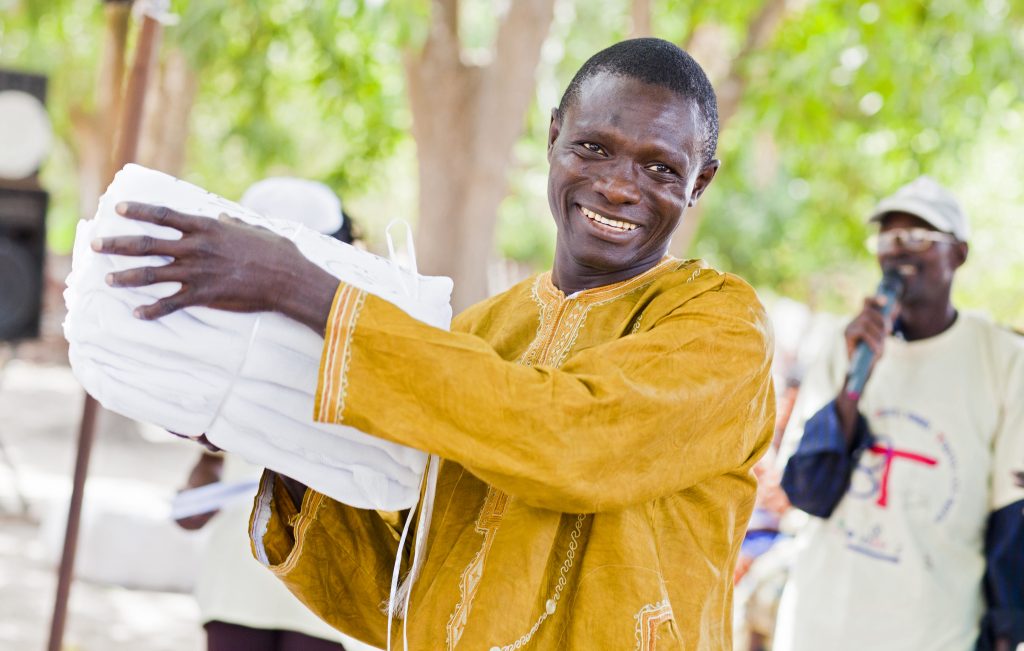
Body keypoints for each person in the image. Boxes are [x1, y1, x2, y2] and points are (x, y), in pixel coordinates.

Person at [93, 38, 776, 649]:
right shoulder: (481, 330)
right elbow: (397, 597)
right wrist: (256, 418)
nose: (619, 185)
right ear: (553, 136)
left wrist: (300, 288)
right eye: (594, 147)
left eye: (659, 167)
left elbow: (567, 437)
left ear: (700, 181)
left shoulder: (721, 330)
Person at [773, 176, 1024, 651]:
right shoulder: (846, 345)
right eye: (887, 239)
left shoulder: (1003, 359)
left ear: (960, 253)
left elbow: (1012, 522)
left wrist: (1006, 633)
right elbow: (808, 491)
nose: (898, 251)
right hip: (819, 624)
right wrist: (855, 379)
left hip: (932, 632)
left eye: (918, 238)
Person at [173, 178, 376, 651]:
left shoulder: (356, 336)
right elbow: (202, 477)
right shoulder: (358, 335)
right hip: (262, 568)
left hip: (304, 572)